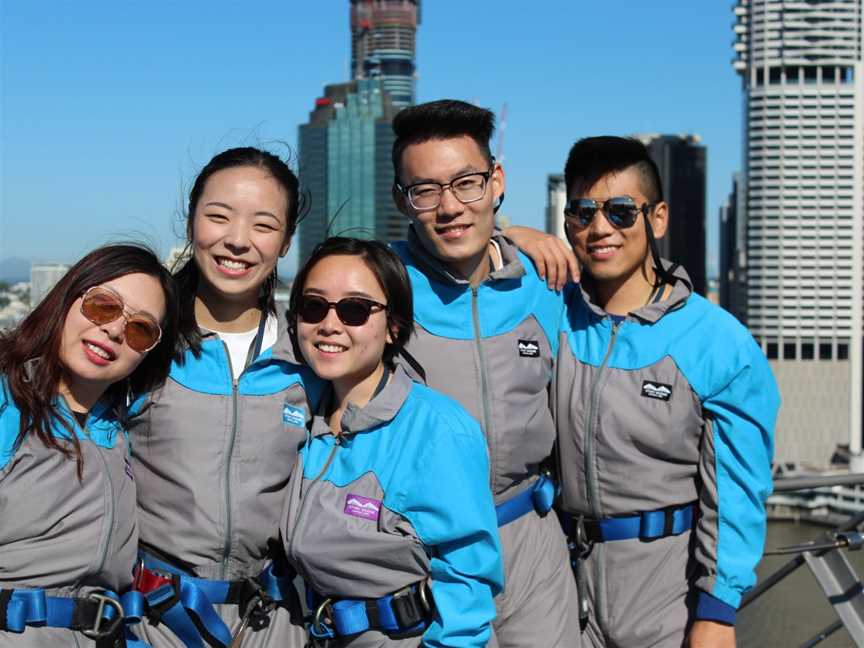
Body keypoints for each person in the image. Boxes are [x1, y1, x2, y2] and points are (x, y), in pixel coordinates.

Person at [554, 136, 779, 648]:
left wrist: (717, 612)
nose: (600, 229)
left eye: (619, 212)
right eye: (582, 213)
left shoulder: (718, 342)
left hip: (666, 598)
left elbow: (738, 491)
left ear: (657, 219)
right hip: (562, 594)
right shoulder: (555, 318)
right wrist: (512, 237)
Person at [388, 99, 581, 647]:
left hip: (530, 546)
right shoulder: (378, 286)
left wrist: (517, 232)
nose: (449, 206)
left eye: (466, 183)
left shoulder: (546, 287)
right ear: (400, 200)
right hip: (419, 555)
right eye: (425, 190)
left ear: (496, 180)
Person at [127, 147, 322, 648]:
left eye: (263, 224)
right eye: (218, 217)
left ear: (285, 243)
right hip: (154, 620)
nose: (237, 240)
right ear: (191, 222)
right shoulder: (140, 343)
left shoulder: (312, 355)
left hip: (274, 621)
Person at [282, 236, 502, 648]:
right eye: (313, 307)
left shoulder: (437, 429)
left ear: (393, 327)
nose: (330, 325)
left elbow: (469, 581)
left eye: (355, 310)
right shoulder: (295, 413)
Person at [0, 244, 179, 647]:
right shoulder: (7, 402)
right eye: (103, 306)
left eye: (140, 330)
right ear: (68, 298)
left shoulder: (118, 432)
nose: (115, 330)